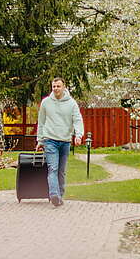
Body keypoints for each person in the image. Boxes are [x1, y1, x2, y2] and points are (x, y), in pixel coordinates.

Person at [36, 77, 83, 207]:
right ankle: (54, 195)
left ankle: (60, 195)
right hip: (50, 140)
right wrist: (40, 140)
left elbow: (77, 119)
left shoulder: (71, 103)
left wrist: (78, 135)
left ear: (64, 87)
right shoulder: (46, 103)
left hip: (65, 141)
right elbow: (41, 122)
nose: (56, 88)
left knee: (61, 171)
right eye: (54, 86)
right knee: (53, 168)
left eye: (58, 86)